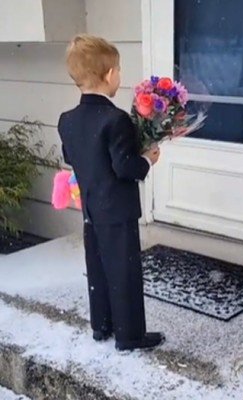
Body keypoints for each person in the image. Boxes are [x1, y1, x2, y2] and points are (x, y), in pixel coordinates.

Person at [58, 34, 165, 351]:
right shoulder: (116, 120)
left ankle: (101, 326)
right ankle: (130, 335)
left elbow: (71, 157)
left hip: (91, 208)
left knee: (99, 268)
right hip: (118, 212)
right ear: (108, 75)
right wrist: (147, 158)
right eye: (118, 70)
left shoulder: (68, 120)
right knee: (124, 271)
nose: (120, 75)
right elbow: (125, 168)